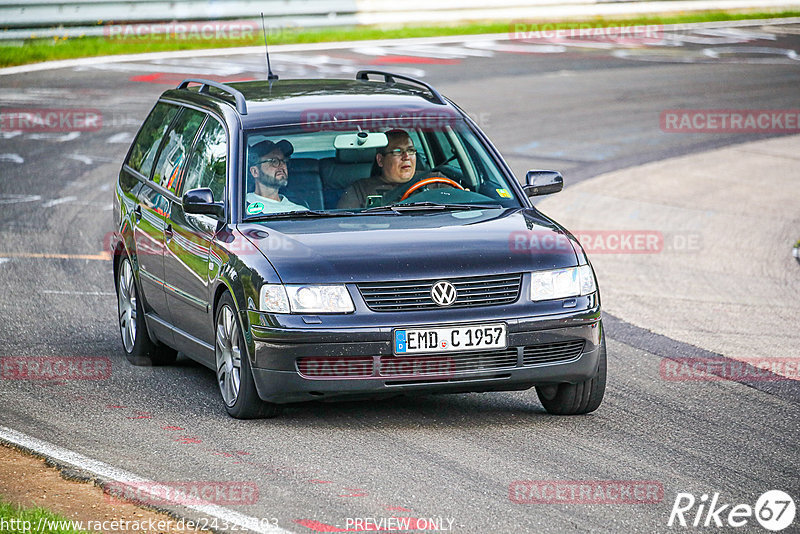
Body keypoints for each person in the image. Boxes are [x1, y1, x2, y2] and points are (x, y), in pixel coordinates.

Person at [336, 130, 421, 209]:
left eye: (410, 150)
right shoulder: (359, 190)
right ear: (380, 160)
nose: (406, 157)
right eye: (398, 151)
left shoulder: (430, 180)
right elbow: (342, 222)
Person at [245, 139, 306, 215]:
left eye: (283, 161)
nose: (282, 166)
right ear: (255, 172)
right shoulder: (240, 207)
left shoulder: (300, 211)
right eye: (274, 161)